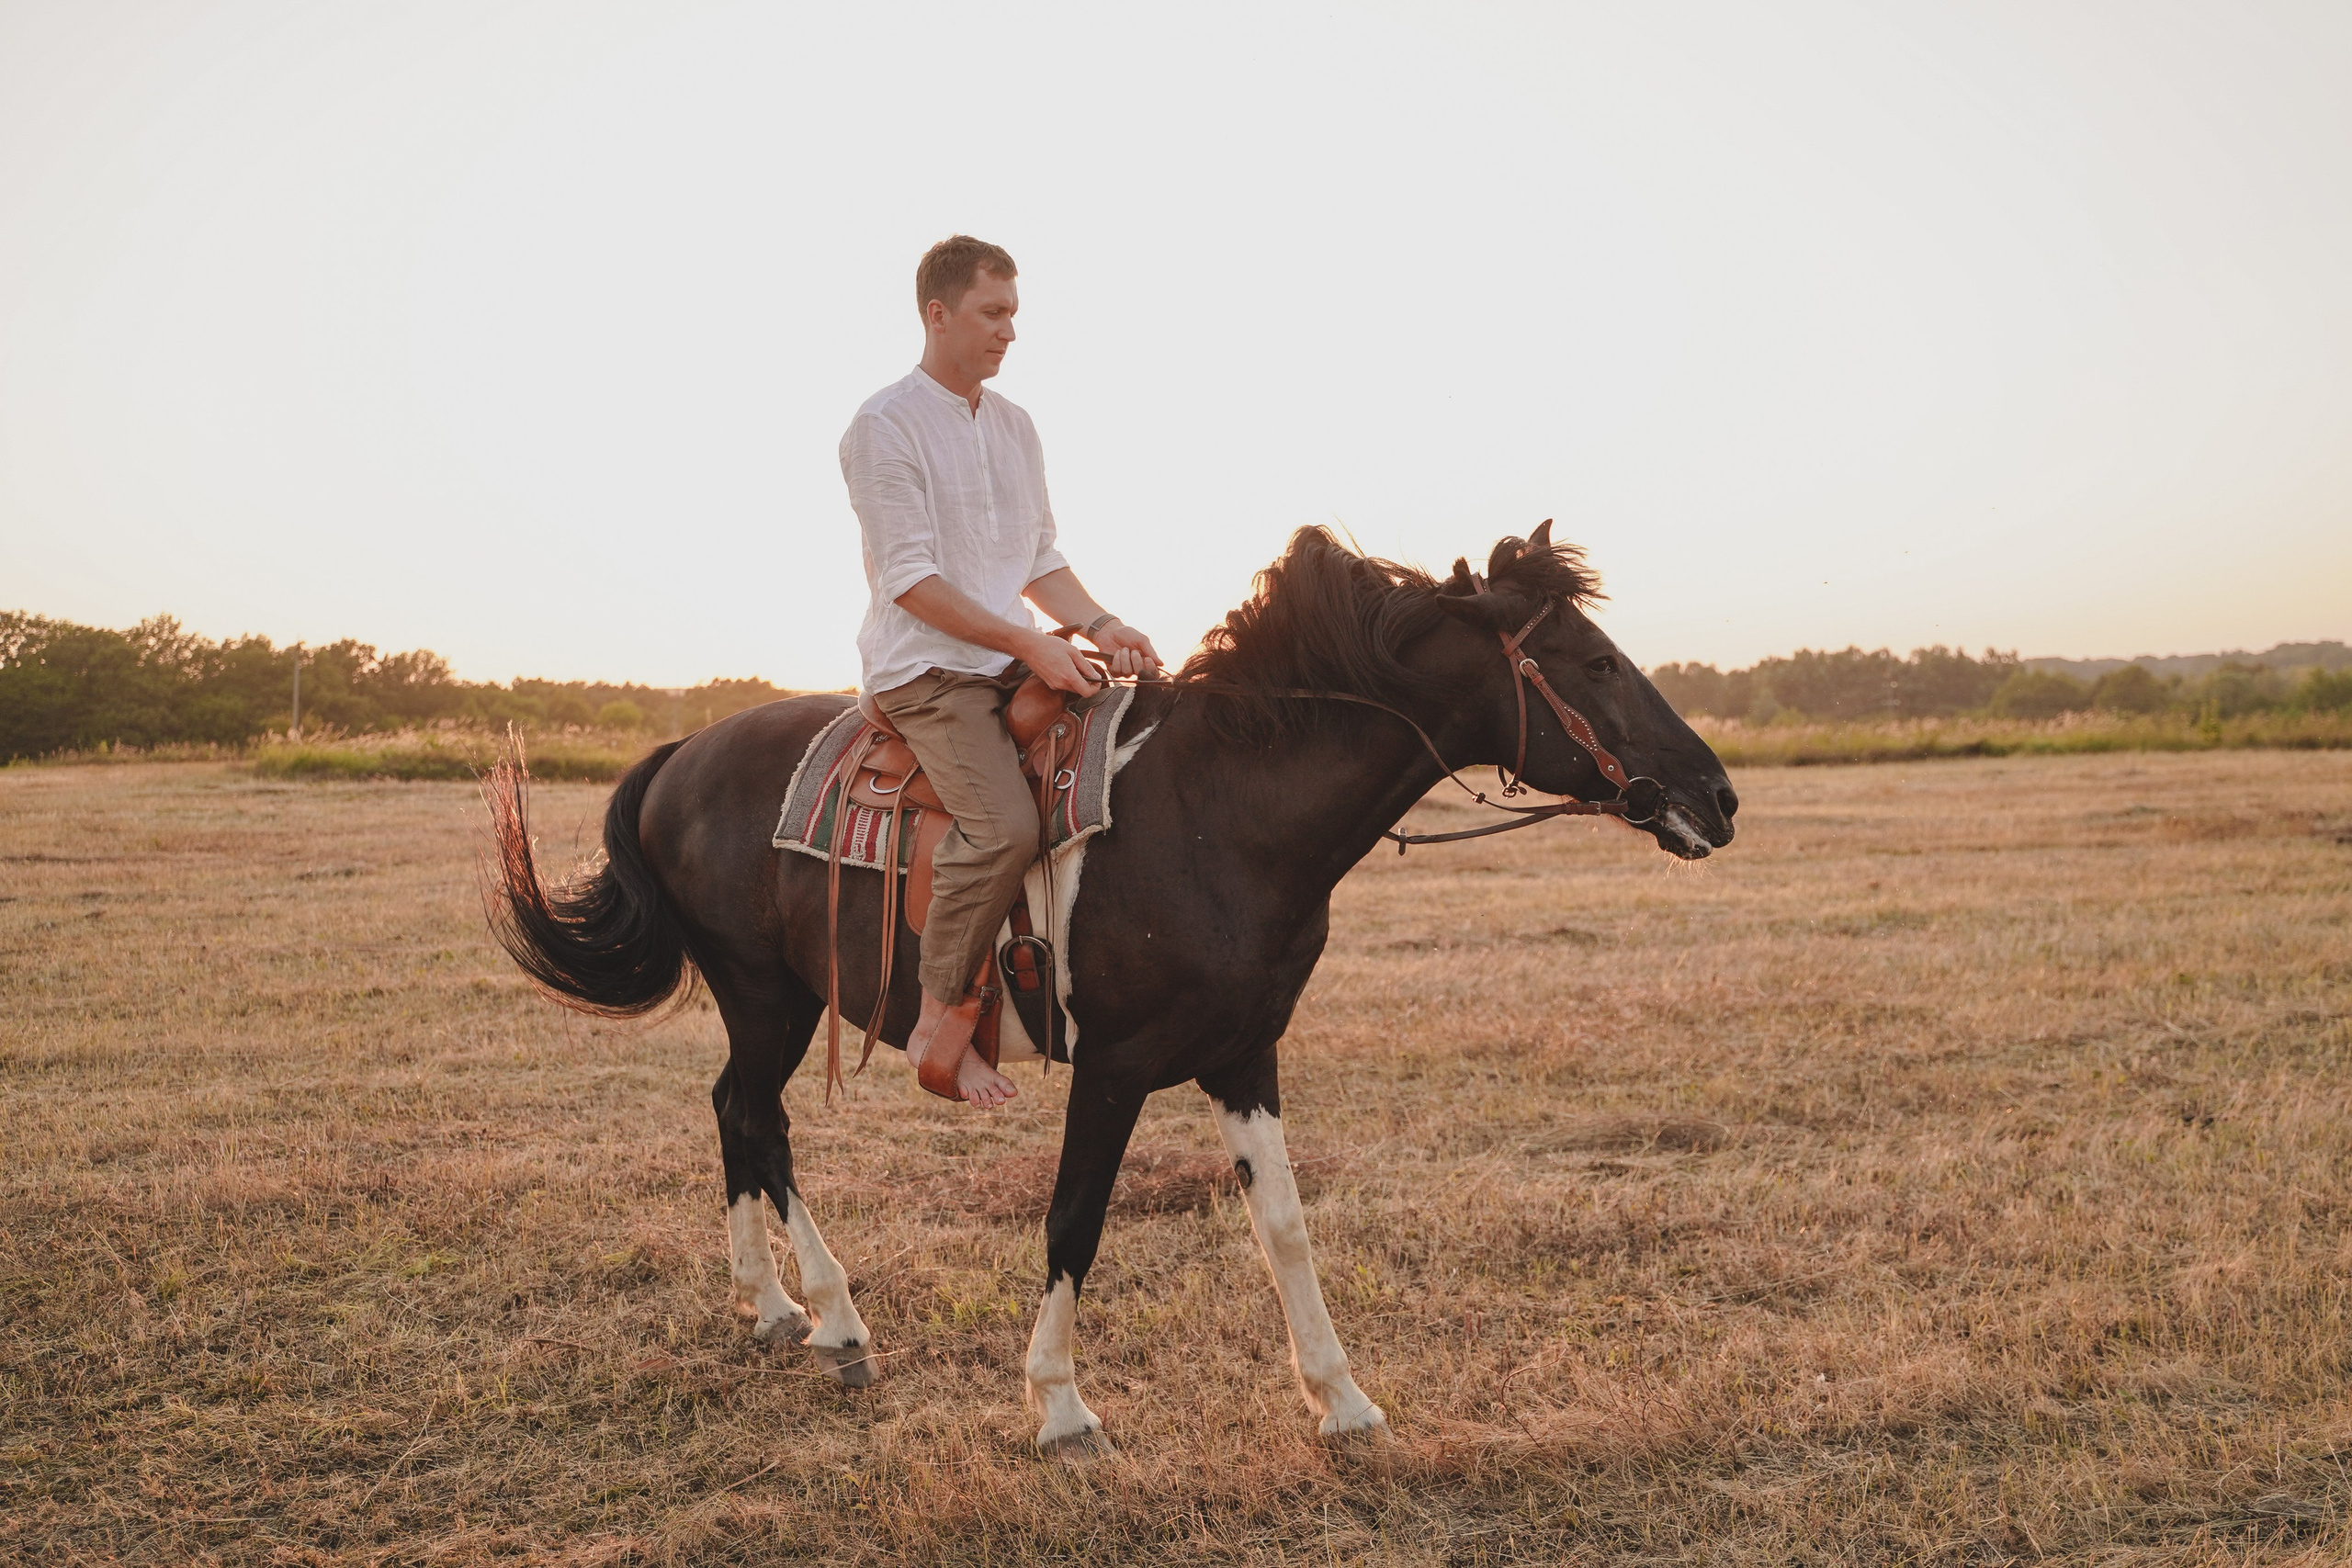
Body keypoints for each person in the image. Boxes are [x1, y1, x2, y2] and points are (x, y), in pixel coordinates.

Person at [842, 235, 1162, 1110]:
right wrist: (1030, 646)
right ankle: (934, 1017)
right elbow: (910, 581)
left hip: (1015, 656)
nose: (1010, 331)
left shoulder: (1017, 425)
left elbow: (1038, 558)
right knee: (1004, 828)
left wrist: (1099, 622)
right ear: (937, 315)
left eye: (1015, 313)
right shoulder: (883, 425)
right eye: (993, 312)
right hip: (931, 672)